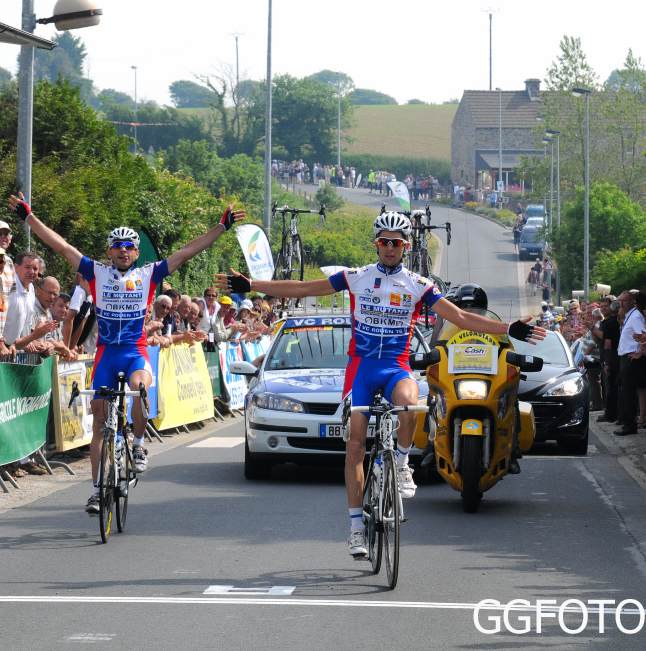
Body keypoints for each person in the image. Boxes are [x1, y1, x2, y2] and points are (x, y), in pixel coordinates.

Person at [215, 211, 545, 557]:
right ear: (376, 244)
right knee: (355, 448)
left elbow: (461, 317)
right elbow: (302, 288)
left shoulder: (418, 285)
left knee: (410, 401)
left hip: (395, 367)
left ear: (405, 247)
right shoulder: (357, 277)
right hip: (361, 368)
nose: (390, 248)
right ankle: (356, 528)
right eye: (384, 242)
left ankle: (401, 463)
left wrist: (508, 328)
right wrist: (252, 286)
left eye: (397, 243)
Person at [8, 192, 245, 514]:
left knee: (139, 388)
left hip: (134, 351)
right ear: (109, 251)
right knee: (99, 422)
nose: (123, 251)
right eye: (117, 246)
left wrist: (220, 227)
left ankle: (137, 444)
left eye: (129, 246)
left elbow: (186, 252)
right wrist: (28, 217)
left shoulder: (148, 274)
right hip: (106, 353)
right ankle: (95, 491)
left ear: (136, 252)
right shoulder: (96, 271)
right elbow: (61, 246)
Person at [614, 290, 646, 436]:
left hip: (630, 358)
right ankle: (627, 421)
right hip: (624, 357)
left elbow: (644, 335)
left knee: (628, 392)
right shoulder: (629, 316)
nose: (622, 303)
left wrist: (639, 353)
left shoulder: (635, 316)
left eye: (625, 300)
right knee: (624, 391)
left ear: (632, 302)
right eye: (620, 300)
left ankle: (630, 424)